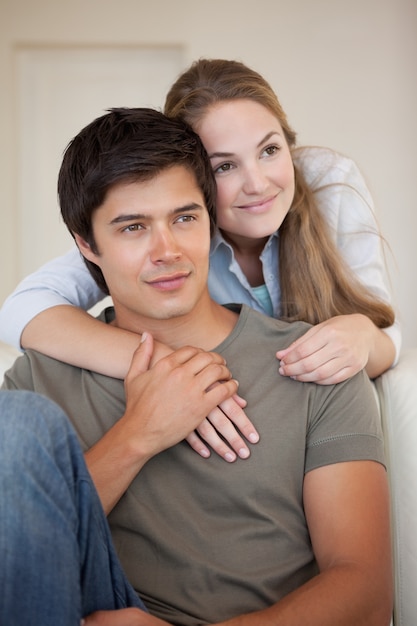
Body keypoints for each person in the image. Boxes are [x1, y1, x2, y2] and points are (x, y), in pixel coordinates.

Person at [1, 107, 392, 626]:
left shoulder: (312, 365)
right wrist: (140, 433)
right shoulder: (38, 379)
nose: (167, 251)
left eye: (184, 218)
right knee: (20, 422)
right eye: (133, 227)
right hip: (95, 601)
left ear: (211, 224)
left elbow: (365, 592)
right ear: (86, 246)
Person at [0, 59, 400, 387]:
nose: (258, 184)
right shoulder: (173, 235)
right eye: (224, 165)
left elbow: (381, 329)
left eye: (270, 150)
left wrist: (365, 336)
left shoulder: (329, 182)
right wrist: (157, 363)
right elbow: (21, 309)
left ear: (288, 143)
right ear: (192, 178)